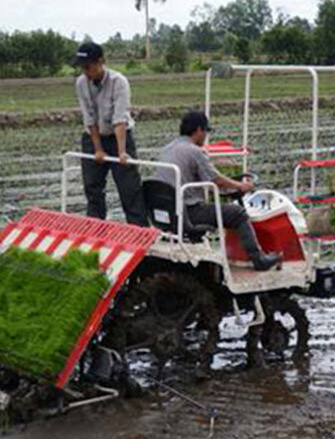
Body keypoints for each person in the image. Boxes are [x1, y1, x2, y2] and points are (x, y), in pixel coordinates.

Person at [155, 110, 281, 271]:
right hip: (189, 212)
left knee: (221, 209)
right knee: (238, 214)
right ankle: (259, 259)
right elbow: (216, 179)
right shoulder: (194, 151)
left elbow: (208, 181)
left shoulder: (167, 149)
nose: (206, 136)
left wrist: (229, 186)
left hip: (170, 211)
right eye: (206, 131)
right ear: (199, 130)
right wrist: (240, 186)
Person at [72, 42, 147, 227]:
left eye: (88, 67)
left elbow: (119, 119)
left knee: (129, 188)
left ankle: (139, 230)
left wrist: (121, 152)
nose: (86, 72)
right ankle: (96, 228)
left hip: (119, 136)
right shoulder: (81, 83)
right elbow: (89, 117)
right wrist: (98, 149)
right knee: (92, 187)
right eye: (83, 68)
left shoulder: (118, 82)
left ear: (100, 62)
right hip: (93, 135)